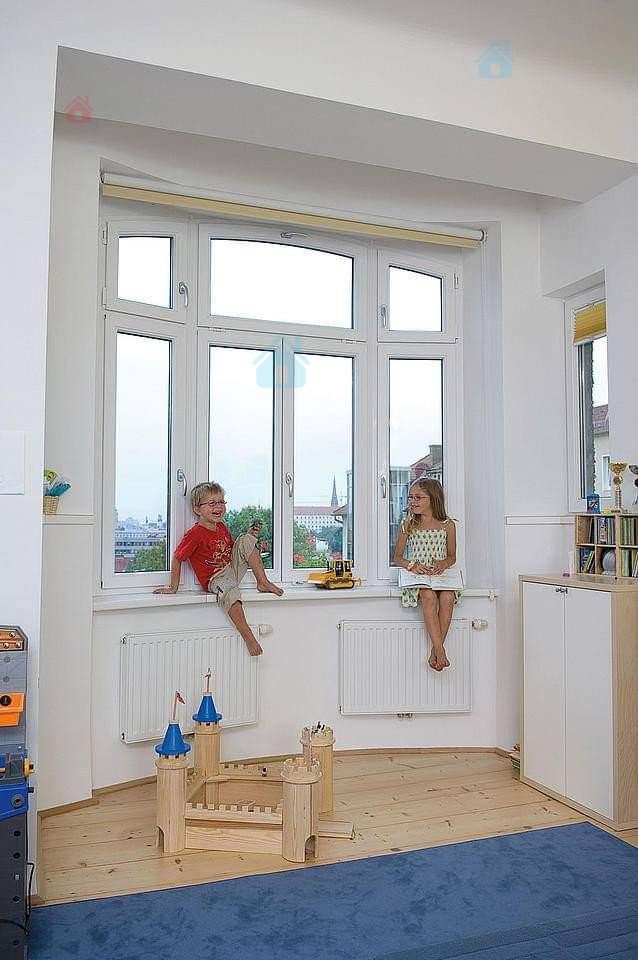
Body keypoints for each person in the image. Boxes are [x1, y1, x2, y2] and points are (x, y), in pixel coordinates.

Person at [154, 482, 283, 656]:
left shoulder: (221, 526)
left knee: (246, 539)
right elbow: (178, 558)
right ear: (197, 509)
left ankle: (263, 582)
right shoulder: (195, 534)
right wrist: (173, 587)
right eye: (212, 503)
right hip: (216, 578)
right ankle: (249, 637)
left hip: (231, 568)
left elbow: (232, 549)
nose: (218, 507)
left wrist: (251, 546)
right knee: (231, 592)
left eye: (221, 502)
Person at [393, 477, 459, 671]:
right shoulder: (408, 524)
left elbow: (452, 556)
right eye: (410, 497)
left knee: (447, 597)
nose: (412, 501)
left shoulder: (448, 525)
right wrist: (412, 565)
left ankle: (435, 651)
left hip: (440, 576)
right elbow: (397, 557)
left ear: (433, 499)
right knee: (428, 596)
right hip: (419, 576)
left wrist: (443, 563)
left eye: (418, 497)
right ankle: (440, 651)